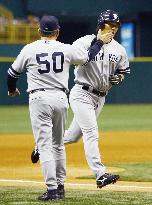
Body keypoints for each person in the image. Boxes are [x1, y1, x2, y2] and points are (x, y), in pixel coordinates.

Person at [7, 15, 113, 201]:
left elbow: (12, 73)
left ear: (39, 31)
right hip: (60, 98)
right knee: (58, 145)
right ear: (58, 32)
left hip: (39, 98)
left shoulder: (29, 49)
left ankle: (52, 190)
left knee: (45, 145)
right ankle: (61, 186)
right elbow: (88, 57)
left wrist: (12, 90)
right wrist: (98, 42)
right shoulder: (66, 48)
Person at [31, 10, 130, 189]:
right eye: (110, 25)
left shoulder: (119, 49)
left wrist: (118, 78)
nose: (114, 28)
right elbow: (78, 60)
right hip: (81, 93)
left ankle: (41, 145)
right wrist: (99, 43)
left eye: (116, 26)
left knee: (73, 136)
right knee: (91, 133)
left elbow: (122, 72)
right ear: (101, 25)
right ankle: (100, 174)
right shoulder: (84, 42)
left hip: (100, 98)